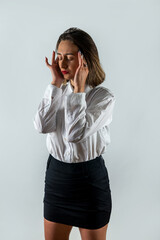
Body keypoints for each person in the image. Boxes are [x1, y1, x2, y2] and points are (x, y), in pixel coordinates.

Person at [33, 27, 116, 240]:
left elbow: (75, 134)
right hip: (57, 179)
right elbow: (41, 126)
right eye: (59, 57)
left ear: (85, 60)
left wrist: (78, 92)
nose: (61, 64)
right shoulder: (57, 91)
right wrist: (55, 84)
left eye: (69, 58)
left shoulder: (103, 98)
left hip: (89, 182)